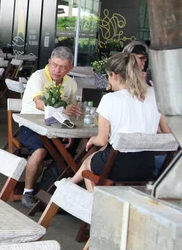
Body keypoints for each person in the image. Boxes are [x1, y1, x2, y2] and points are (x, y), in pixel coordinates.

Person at [70, 53, 171, 191]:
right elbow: (168, 133)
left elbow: (102, 140)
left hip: (117, 166)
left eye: (108, 77)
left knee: (88, 164)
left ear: (114, 75)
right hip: (147, 167)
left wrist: (92, 139)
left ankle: (82, 196)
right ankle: (69, 185)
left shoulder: (110, 99)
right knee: (93, 162)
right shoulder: (155, 96)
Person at [19, 46, 82, 209]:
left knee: (72, 152)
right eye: (54, 65)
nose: (57, 70)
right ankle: (28, 192)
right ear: (49, 62)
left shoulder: (71, 83)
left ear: (70, 68)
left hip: (56, 128)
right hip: (30, 125)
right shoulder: (38, 77)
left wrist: (69, 129)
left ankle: (48, 192)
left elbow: (72, 111)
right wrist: (63, 110)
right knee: (41, 151)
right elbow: (39, 103)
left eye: (63, 67)